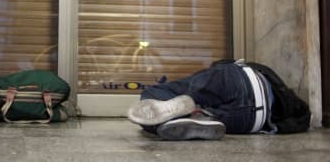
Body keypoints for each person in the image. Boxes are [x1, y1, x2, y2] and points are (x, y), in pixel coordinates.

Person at [127, 59, 311, 140]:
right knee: (150, 113)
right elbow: (302, 118)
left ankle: (190, 107)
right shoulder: (288, 101)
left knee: (150, 95)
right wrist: (275, 128)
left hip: (245, 84)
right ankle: (196, 115)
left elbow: (221, 70)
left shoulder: (229, 69)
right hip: (251, 121)